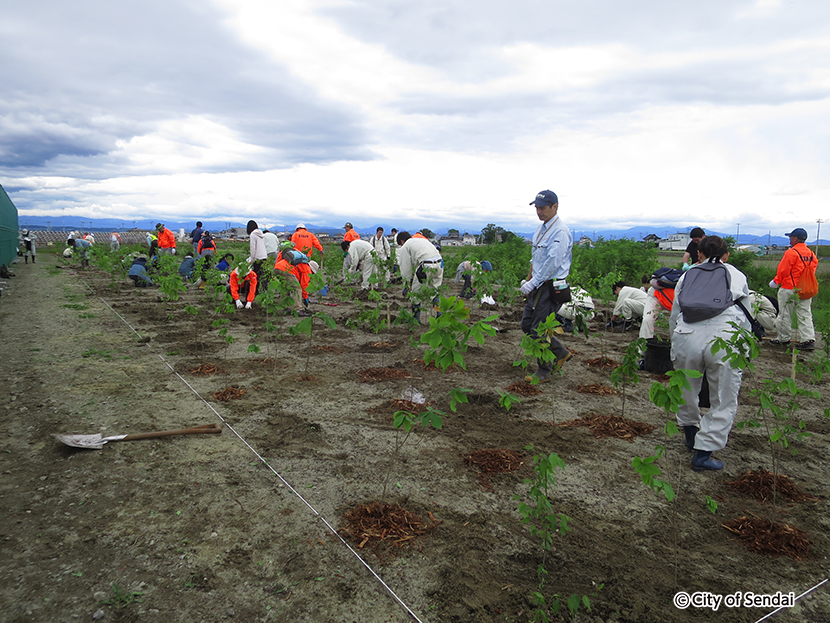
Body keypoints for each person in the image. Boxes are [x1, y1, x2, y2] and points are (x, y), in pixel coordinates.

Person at [670, 235, 750, 472]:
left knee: (686, 388)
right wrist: (744, 348)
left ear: (699, 254)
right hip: (723, 339)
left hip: (686, 335)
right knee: (723, 398)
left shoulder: (687, 275)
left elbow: (676, 313)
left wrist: (675, 339)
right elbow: (745, 314)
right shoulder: (736, 274)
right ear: (726, 255)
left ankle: (691, 435)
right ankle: (703, 453)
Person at [520, 190, 574, 383]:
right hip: (537, 284)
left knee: (539, 329)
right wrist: (529, 280)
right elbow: (536, 258)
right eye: (537, 208)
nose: (539, 211)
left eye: (542, 208)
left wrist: (534, 282)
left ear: (555, 207)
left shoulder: (560, 231)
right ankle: (560, 352)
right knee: (526, 324)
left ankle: (544, 370)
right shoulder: (540, 229)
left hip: (552, 286)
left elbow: (553, 262)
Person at [769, 227, 818, 349]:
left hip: (789, 287)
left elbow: (784, 270)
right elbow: (812, 269)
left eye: (791, 237)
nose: (790, 239)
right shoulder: (811, 254)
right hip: (805, 289)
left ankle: (783, 338)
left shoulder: (791, 252)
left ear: (795, 239)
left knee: (785, 314)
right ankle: (808, 340)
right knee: (805, 314)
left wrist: (776, 281)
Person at [396, 231, 443, 322]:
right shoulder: (420, 240)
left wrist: (406, 285)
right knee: (434, 290)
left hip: (426, 266)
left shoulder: (405, 246)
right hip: (439, 263)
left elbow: (406, 269)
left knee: (416, 292)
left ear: (402, 241)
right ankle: (440, 315)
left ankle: (415, 319)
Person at [273, 249, 310, 316]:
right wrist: (305, 297)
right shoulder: (307, 270)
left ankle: (284, 308)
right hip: (287, 270)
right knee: (296, 289)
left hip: (277, 267)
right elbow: (304, 285)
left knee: (285, 287)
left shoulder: (301, 263)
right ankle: (298, 310)